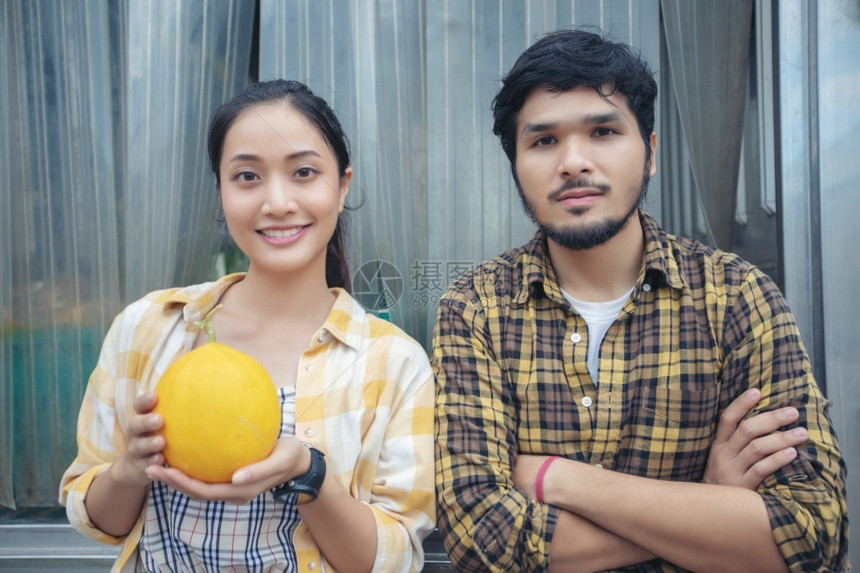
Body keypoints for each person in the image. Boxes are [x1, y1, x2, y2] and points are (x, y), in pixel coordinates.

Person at [432, 29, 848, 572]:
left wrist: (556, 477)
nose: (574, 162)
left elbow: (813, 532)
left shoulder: (736, 298)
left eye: (603, 131)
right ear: (515, 165)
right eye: (543, 141)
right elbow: (480, 539)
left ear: (650, 152)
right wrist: (707, 504)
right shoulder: (475, 309)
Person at [60, 79, 435, 572]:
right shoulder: (147, 327)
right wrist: (129, 469)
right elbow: (97, 519)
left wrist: (308, 473)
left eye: (303, 172)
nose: (277, 202)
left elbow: (391, 559)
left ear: (341, 187)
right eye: (247, 177)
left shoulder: (395, 363)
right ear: (220, 191)